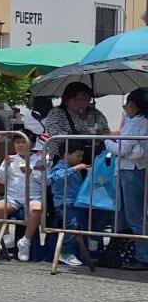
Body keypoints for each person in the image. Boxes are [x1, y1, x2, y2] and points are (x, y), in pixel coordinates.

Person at [106, 88, 148, 271]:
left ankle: (143, 255)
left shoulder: (136, 124)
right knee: (127, 213)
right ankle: (128, 251)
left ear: (133, 105)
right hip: (136, 168)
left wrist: (106, 140)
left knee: (134, 215)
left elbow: (123, 150)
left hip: (131, 169)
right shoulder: (142, 122)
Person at [0, 132, 45, 262]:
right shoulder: (10, 159)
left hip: (33, 197)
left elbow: (46, 181)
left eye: (24, 142)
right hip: (12, 198)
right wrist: (6, 166)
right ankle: (6, 237)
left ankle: (25, 242)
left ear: (31, 144)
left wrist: (32, 173)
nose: (20, 145)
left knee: (36, 210)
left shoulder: (39, 159)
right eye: (17, 142)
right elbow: (1, 180)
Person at [42, 81, 109, 144]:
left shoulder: (95, 114)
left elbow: (106, 131)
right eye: (80, 99)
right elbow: (54, 134)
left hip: (96, 153)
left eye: (87, 99)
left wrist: (101, 134)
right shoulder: (57, 113)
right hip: (66, 154)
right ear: (66, 99)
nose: (84, 103)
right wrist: (86, 137)